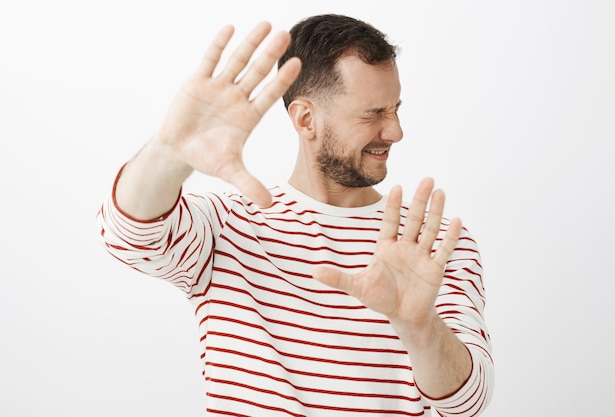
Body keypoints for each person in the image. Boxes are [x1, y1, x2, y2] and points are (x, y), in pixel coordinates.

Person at [96, 14, 494, 416]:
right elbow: (129, 235)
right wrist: (169, 150)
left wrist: (420, 328)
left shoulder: (435, 245)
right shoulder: (229, 226)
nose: (395, 131)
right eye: (373, 113)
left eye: (395, 108)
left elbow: (468, 403)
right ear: (306, 119)